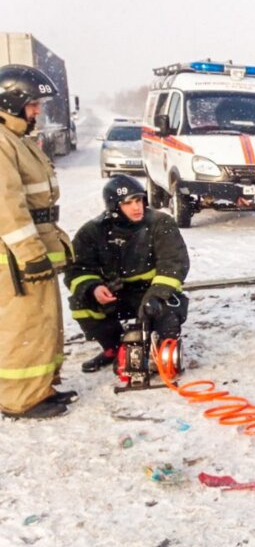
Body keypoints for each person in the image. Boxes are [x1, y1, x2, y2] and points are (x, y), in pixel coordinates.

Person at [0, 64, 76, 420]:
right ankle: (20, 398)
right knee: (24, 327)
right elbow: (7, 208)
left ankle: (40, 387)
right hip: (16, 258)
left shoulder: (16, 140)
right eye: (32, 104)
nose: (37, 111)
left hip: (30, 251)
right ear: (11, 101)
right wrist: (30, 254)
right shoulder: (3, 144)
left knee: (43, 322)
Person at [66, 174, 190, 374]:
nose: (136, 207)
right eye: (128, 203)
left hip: (153, 292)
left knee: (167, 313)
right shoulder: (92, 231)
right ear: (114, 207)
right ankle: (114, 349)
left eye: (139, 200)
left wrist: (156, 296)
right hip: (116, 294)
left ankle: (161, 350)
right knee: (81, 304)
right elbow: (77, 269)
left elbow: (174, 264)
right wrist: (93, 289)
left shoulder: (161, 223)